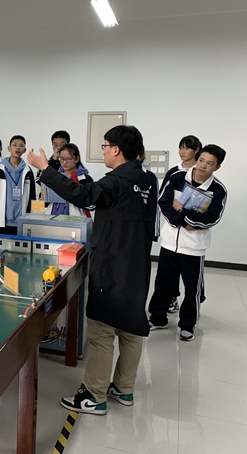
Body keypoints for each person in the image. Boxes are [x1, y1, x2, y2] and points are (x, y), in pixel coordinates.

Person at [27, 125, 152, 415]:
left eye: (106, 146)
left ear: (116, 150)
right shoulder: (146, 180)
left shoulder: (115, 181)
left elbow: (82, 195)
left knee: (101, 331)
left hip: (112, 264)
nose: (104, 151)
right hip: (138, 263)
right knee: (131, 329)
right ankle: (124, 388)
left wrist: (45, 168)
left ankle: (94, 396)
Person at [148, 144, 227, 342]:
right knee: (163, 284)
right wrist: (182, 221)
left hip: (194, 247)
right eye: (201, 160)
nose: (203, 166)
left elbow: (211, 218)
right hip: (169, 243)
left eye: (210, 164)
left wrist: (182, 212)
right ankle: (158, 318)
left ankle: (187, 325)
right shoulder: (177, 177)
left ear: (217, 167)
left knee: (192, 290)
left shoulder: (218, 190)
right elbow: (164, 202)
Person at [160, 134, 202, 314]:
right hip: (172, 233)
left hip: (193, 237)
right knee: (167, 275)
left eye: (187, 148)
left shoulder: (201, 173)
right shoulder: (173, 173)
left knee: (192, 279)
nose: (182, 151)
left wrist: (187, 219)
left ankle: (191, 313)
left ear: (197, 150)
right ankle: (170, 301)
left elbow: (203, 207)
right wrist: (179, 221)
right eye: (181, 147)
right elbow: (164, 201)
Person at [0, 135, 36, 236]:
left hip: (22, 219)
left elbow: (32, 196)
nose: (17, 148)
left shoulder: (27, 171)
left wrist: (31, 217)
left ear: (24, 150)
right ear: (9, 148)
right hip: (2, 219)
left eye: (21, 145)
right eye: (14, 145)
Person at [43, 142, 94, 216]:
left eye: (68, 159)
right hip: (52, 216)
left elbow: (91, 205)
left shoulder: (85, 179)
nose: (64, 162)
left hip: (75, 218)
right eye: (61, 159)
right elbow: (44, 200)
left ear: (77, 159)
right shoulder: (54, 177)